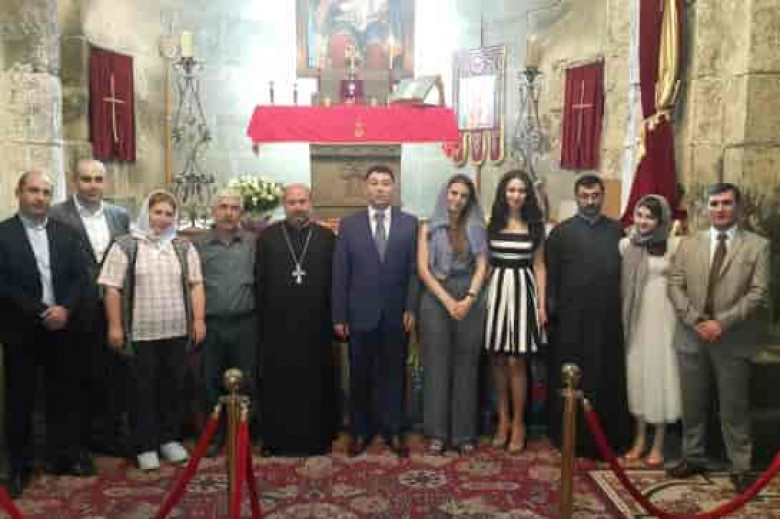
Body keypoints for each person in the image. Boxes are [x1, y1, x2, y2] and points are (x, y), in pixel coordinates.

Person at [667, 183, 770, 493]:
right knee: (692, 404)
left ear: (738, 207)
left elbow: (758, 293)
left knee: (733, 408)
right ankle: (693, 457)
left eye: (726, 203)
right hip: (691, 335)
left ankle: (741, 466)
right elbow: (674, 284)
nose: (720, 209)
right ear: (706, 208)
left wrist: (721, 324)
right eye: (714, 203)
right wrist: (696, 320)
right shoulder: (688, 244)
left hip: (733, 338)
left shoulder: (758, 246)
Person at [98, 190, 206, 471]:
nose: (163, 218)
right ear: (147, 213)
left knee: (172, 386)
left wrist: (198, 320)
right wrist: (115, 326)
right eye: (158, 212)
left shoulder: (182, 246)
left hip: (176, 330)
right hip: (140, 332)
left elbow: (195, 284)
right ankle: (145, 445)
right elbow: (112, 288)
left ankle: (169, 439)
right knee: (141, 389)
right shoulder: (126, 245)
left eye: (169, 214)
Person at [0, 171, 92, 499]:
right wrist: (42, 311)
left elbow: (81, 278)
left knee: (63, 396)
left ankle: (62, 457)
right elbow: (4, 285)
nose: (39, 198)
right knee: (20, 400)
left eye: (45, 192)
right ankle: (19, 466)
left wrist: (65, 308)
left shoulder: (66, 233)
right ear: (19, 192)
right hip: (21, 330)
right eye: (33, 191)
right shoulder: (3, 234)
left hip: (63, 328)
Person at [332, 164, 419, 456]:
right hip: (359, 314)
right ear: (366, 187)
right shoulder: (349, 224)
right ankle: (360, 431)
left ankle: (394, 430)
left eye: (385, 183)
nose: (380, 188)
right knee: (360, 375)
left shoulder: (409, 223)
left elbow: (414, 270)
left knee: (394, 373)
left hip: (397, 313)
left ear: (393, 188)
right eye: (374, 183)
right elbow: (341, 271)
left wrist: (411, 306)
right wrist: (339, 315)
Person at [49, 158, 131, 457]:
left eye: (98, 179)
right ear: (75, 181)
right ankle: (79, 442)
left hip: (112, 306)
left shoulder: (120, 215)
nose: (93, 185)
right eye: (86, 179)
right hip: (74, 307)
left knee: (113, 373)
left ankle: (111, 436)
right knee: (76, 373)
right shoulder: (56, 214)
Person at [546, 174, 630, 459]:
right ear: (577, 197)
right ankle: (569, 437)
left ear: (602, 196)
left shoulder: (617, 232)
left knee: (606, 378)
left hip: (608, 322)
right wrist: (552, 312)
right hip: (571, 324)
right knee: (571, 381)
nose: (590, 201)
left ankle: (606, 440)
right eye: (585, 196)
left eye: (595, 196)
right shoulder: (561, 233)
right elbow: (551, 279)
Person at [256, 184, 338, 455]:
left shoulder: (327, 238)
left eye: (302, 201)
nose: (298, 207)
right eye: (292, 202)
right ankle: (276, 439)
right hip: (278, 327)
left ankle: (318, 438)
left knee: (316, 382)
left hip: (317, 325)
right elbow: (260, 282)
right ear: (284, 205)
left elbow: (336, 282)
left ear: (310, 203)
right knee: (279, 383)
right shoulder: (267, 238)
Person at [417, 174, 487, 456]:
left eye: (463, 195)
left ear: (470, 200)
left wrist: (469, 298)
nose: (457, 199)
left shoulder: (477, 226)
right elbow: (423, 269)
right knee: (436, 365)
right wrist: (448, 301)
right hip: (436, 297)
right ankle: (437, 433)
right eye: (453, 193)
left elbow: (482, 266)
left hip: (469, 295)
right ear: (445, 194)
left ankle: (463, 434)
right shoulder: (427, 227)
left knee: (466, 366)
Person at [484, 170, 547, 455]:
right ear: (503, 193)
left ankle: (520, 422)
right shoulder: (492, 223)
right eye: (511, 190)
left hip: (523, 291)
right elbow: (485, 264)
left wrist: (541, 304)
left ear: (528, 195)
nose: (516, 195)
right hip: (497, 290)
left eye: (521, 191)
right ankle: (503, 419)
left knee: (516, 361)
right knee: (498, 359)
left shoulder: (535, 226)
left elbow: (539, 266)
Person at [194, 189, 257, 457]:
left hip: (246, 322)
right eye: (223, 207)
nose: (228, 213)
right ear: (213, 211)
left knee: (248, 379)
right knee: (210, 381)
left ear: (241, 212)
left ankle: (245, 434)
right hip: (211, 323)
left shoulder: (252, 242)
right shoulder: (198, 245)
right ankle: (214, 435)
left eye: (234, 208)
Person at [620, 195, 681, 467]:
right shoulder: (626, 245)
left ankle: (658, 443)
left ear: (660, 220)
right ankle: (639, 438)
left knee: (660, 376)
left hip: (664, 319)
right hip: (635, 318)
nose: (643, 221)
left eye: (650, 217)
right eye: (640, 215)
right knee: (637, 375)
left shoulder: (673, 245)